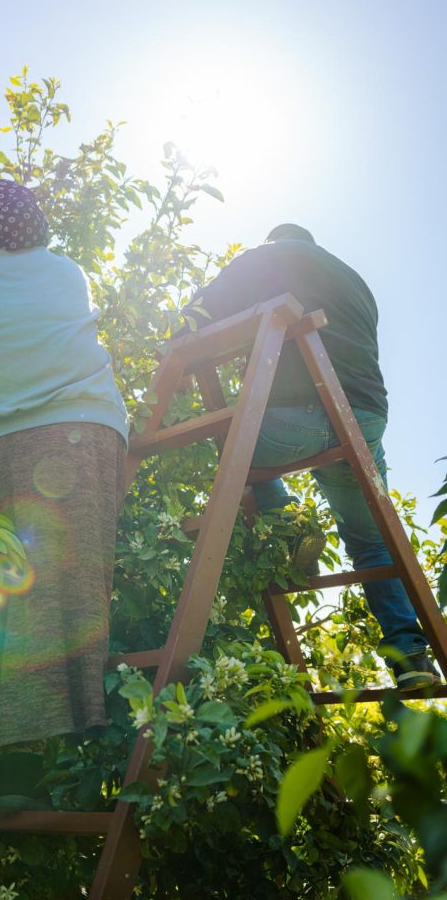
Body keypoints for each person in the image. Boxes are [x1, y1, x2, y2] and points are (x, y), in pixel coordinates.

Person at [183, 223, 440, 690]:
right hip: (361, 419)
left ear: (278, 239)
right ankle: (410, 657)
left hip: (291, 418)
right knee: (370, 542)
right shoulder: (356, 281)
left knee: (235, 455)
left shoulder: (267, 256)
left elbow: (197, 314)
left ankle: (292, 526)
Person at [0, 179, 128, 753]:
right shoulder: (67, 272)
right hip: (82, 433)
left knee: (8, 591)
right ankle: (51, 748)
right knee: (74, 589)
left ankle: (2, 755)